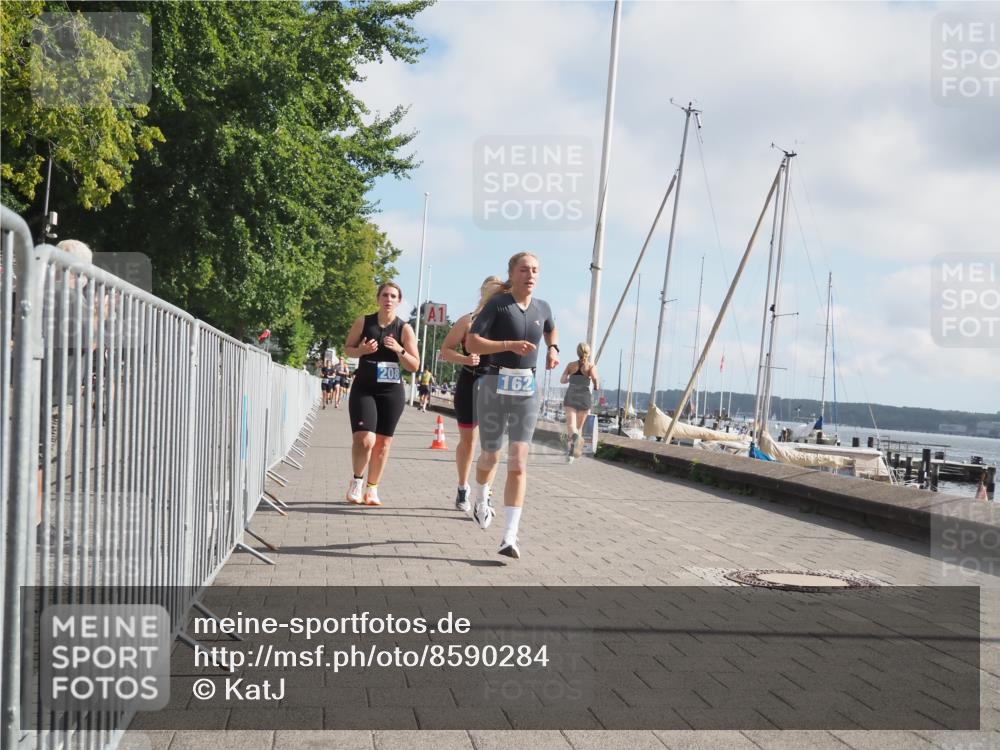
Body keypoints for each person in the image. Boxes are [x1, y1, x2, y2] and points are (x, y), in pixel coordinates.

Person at [466, 252, 558, 559]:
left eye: (535, 270)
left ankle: (509, 536)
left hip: (527, 390)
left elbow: (549, 328)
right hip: (494, 385)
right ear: (512, 273)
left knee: (518, 463)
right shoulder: (498, 304)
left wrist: (553, 348)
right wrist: (508, 345)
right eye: (524, 270)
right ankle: (481, 497)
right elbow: (472, 343)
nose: (530, 275)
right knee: (491, 456)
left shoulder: (543, 307)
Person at [342, 281, 419, 506]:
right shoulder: (363, 322)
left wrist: (399, 349)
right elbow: (347, 348)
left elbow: (414, 365)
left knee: (383, 443)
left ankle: (373, 488)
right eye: (385, 295)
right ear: (378, 298)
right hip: (364, 387)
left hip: (391, 391)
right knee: (365, 439)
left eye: (393, 296)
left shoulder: (404, 328)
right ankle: (357, 481)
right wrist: (361, 351)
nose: (388, 299)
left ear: (399, 301)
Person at [439, 275, 506, 512]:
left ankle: (486, 492)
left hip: (495, 384)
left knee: (492, 445)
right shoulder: (468, 321)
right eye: (491, 292)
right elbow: (445, 350)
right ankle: (462, 487)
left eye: (499, 293)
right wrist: (465, 358)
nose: (494, 297)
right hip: (470, 380)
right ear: (482, 293)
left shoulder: (505, 324)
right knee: (468, 441)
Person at [560, 342, 599, 461]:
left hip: (571, 394)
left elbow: (562, 380)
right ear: (588, 353)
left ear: (577, 352)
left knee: (571, 426)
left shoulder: (570, 365)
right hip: (584, 396)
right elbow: (595, 380)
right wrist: (596, 386)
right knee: (579, 427)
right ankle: (573, 452)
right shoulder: (591, 367)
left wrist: (570, 379)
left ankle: (571, 449)